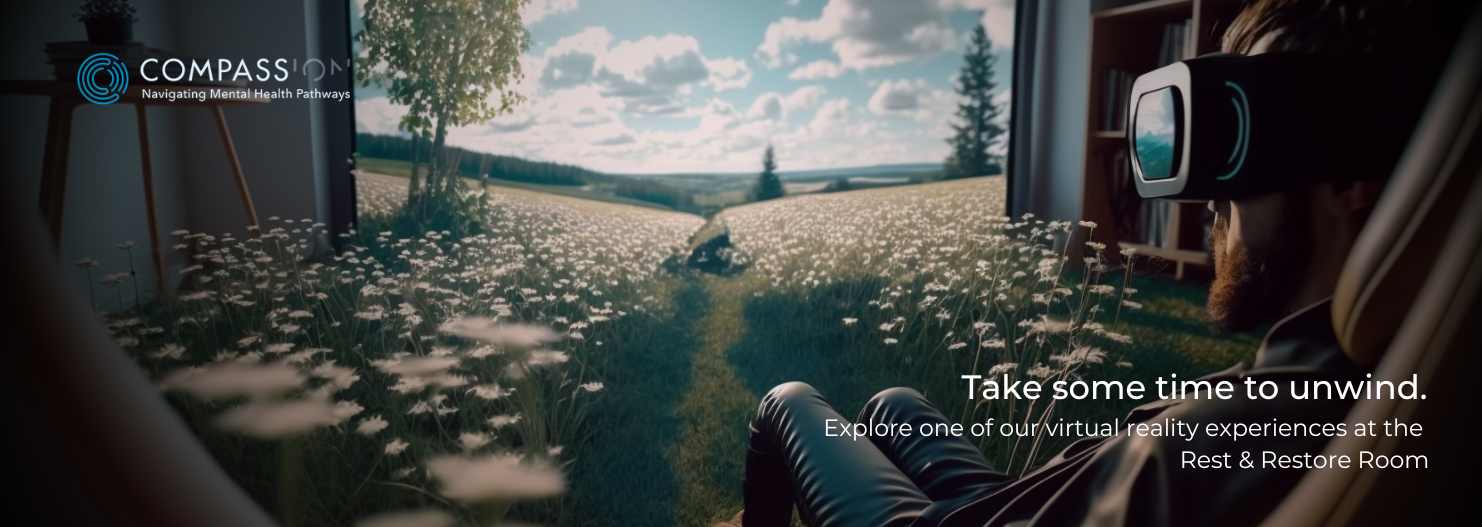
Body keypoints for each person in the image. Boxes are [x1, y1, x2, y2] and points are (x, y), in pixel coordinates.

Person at [730, 1, 1462, 525]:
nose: (1211, 201)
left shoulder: (1223, 440)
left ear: (1356, 183)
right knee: (892, 404)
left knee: (791, 401)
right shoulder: (1389, 389)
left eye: (1244, 138)